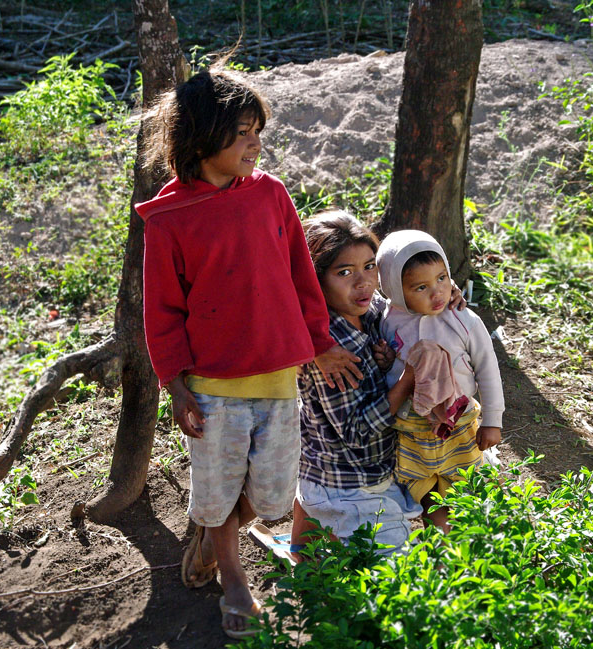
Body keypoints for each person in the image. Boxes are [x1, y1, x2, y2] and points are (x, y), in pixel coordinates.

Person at [137, 64, 359, 639]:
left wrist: (319, 344)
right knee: (215, 489)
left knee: (270, 494)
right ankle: (233, 577)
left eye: (257, 130)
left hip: (280, 379)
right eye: (241, 132)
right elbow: (161, 310)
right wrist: (176, 384)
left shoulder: (271, 195)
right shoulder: (169, 217)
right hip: (212, 387)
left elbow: (301, 278)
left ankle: (213, 534)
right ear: (202, 137)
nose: (255, 143)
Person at [290, 212, 423, 557]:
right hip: (349, 485)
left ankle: (306, 543)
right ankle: (320, 528)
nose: (363, 282)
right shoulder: (334, 350)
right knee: (399, 581)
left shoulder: (372, 309)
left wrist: (446, 293)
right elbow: (356, 431)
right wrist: (407, 380)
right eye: (344, 272)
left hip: (360, 471)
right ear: (315, 281)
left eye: (369, 266)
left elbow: (411, 304)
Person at [376, 230, 504, 532]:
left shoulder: (463, 319)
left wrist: (492, 421)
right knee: (425, 490)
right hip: (411, 427)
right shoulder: (387, 320)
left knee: (467, 484)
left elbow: (488, 369)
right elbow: (397, 367)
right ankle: (444, 543)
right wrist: (387, 362)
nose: (437, 293)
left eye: (442, 278)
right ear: (395, 289)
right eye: (421, 287)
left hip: (458, 424)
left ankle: (478, 537)